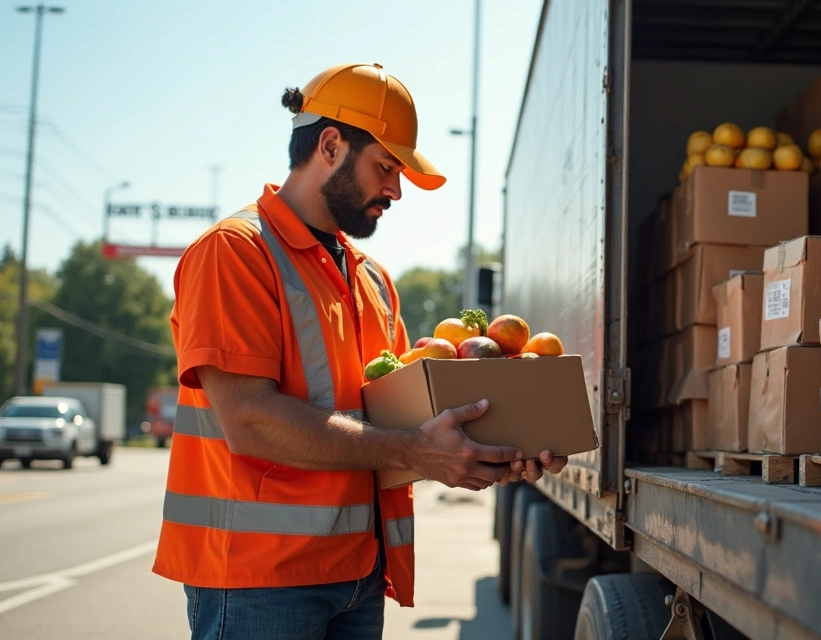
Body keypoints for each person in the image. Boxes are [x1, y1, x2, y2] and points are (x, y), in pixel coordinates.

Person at [151, 62, 567, 639]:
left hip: (359, 576)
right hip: (258, 582)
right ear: (329, 145)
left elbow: (405, 428)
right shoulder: (234, 252)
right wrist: (419, 450)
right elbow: (249, 421)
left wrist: (496, 447)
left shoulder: (372, 280)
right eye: (385, 168)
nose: (395, 190)